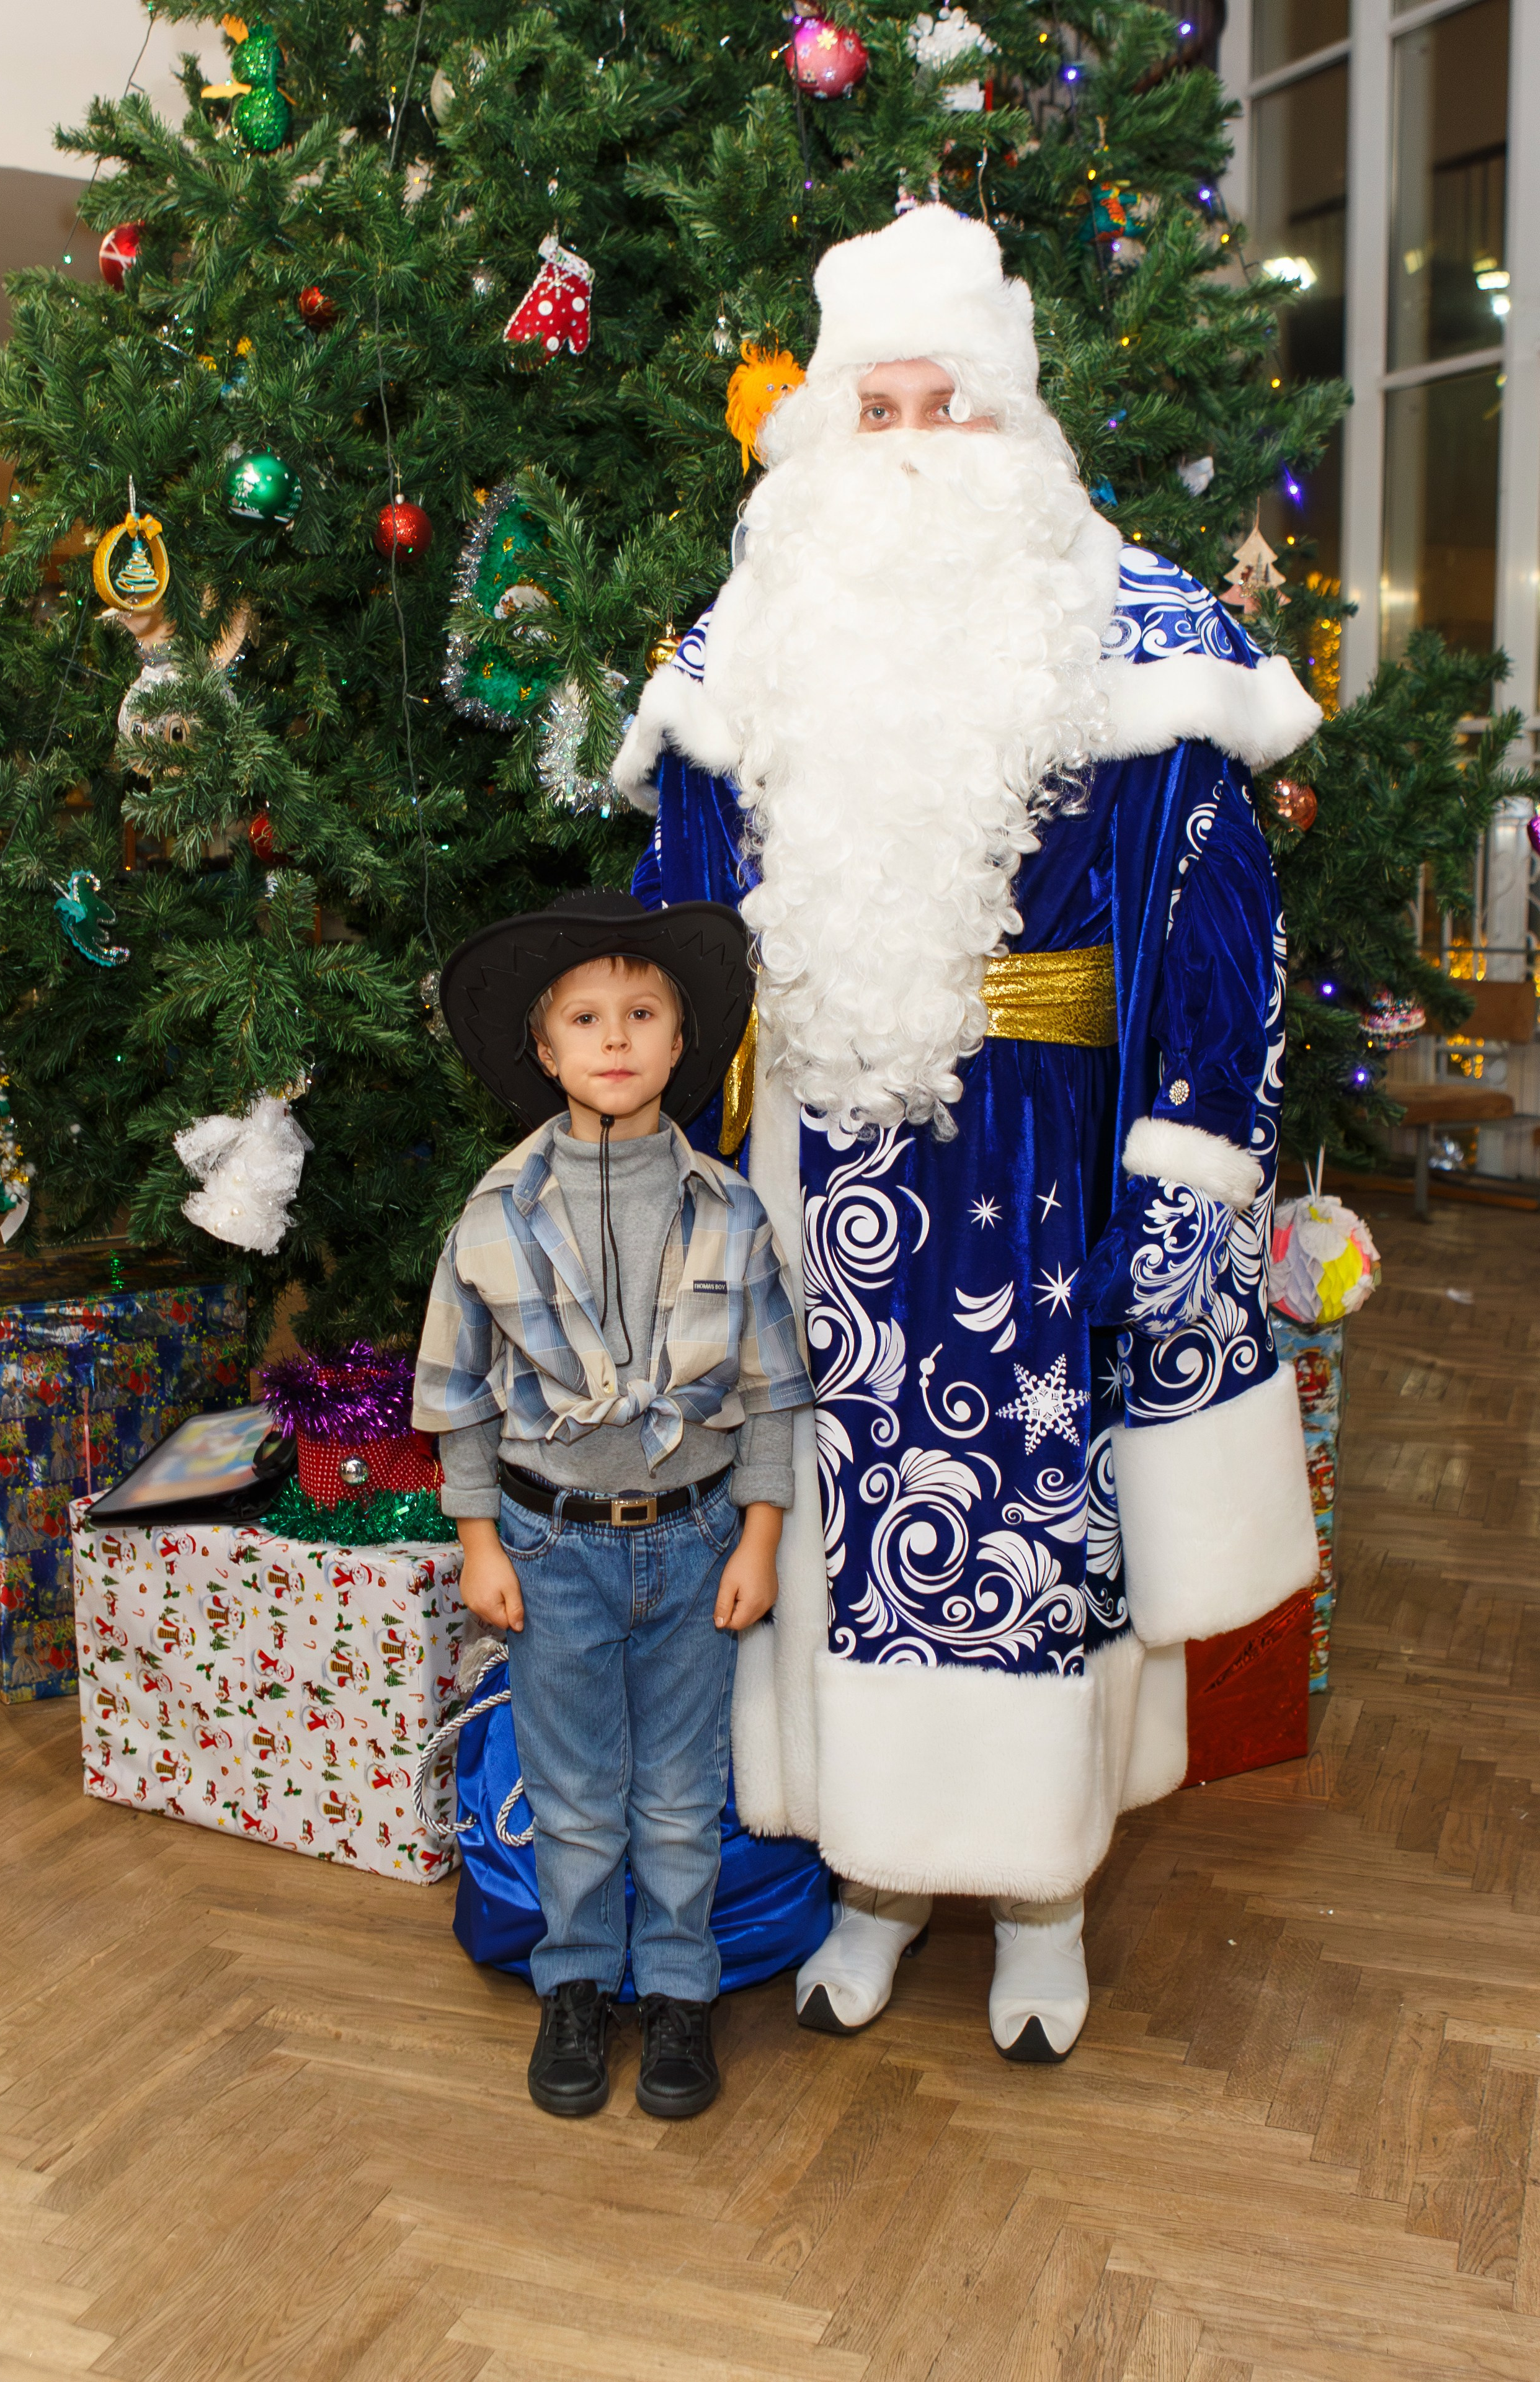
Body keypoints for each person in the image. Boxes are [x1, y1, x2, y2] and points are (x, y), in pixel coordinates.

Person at [612, 205, 1320, 2060]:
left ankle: (1041, 1900)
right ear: (826, 437)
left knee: (1032, 1539)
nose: (915, 445)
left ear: (1018, 432)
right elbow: (673, 921)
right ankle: (869, 1879)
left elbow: (1214, 917)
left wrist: (1182, 1168)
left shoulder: (1143, 639)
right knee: (826, 1529)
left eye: (953, 408)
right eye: (883, 408)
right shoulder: (744, 647)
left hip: (1038, 1176)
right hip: (806, 1188)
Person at [413, 891, 814, 2118]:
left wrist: (757, 1536)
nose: (615, 1038)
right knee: (577, 1793)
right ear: (543, 1051)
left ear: (679, 1039)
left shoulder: (730, 1213)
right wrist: (478, 1539)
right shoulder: (493, 1218)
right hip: (548, 1548)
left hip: (694, 1543)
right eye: (585, 1018)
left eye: (641, 1012)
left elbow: (772, 1394)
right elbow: (457, 1396)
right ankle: (577, 1987)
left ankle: (683, 1995)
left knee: (682, 1791)